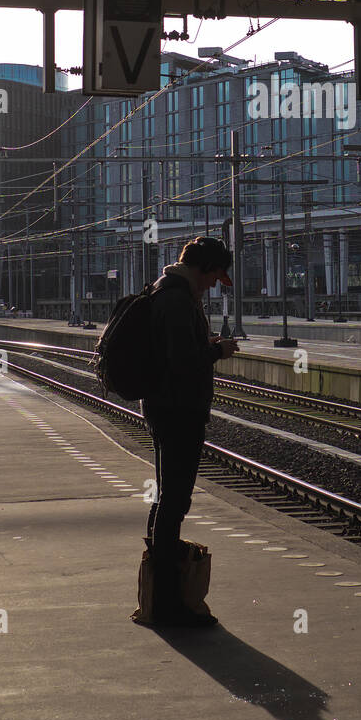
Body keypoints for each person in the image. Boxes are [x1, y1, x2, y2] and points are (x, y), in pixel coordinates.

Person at [143, 237, 238, 627]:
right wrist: (218, 350)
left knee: (167, 499)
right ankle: (169, 604)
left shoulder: (168, 293)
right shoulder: (179, 300)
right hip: (179, 411)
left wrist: (206, 343)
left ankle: (159, 597)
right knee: (174, 502)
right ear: (204, 268)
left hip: (166, 407)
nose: (216, 284)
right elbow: (183, 362)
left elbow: (175, 352)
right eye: (215, 276)